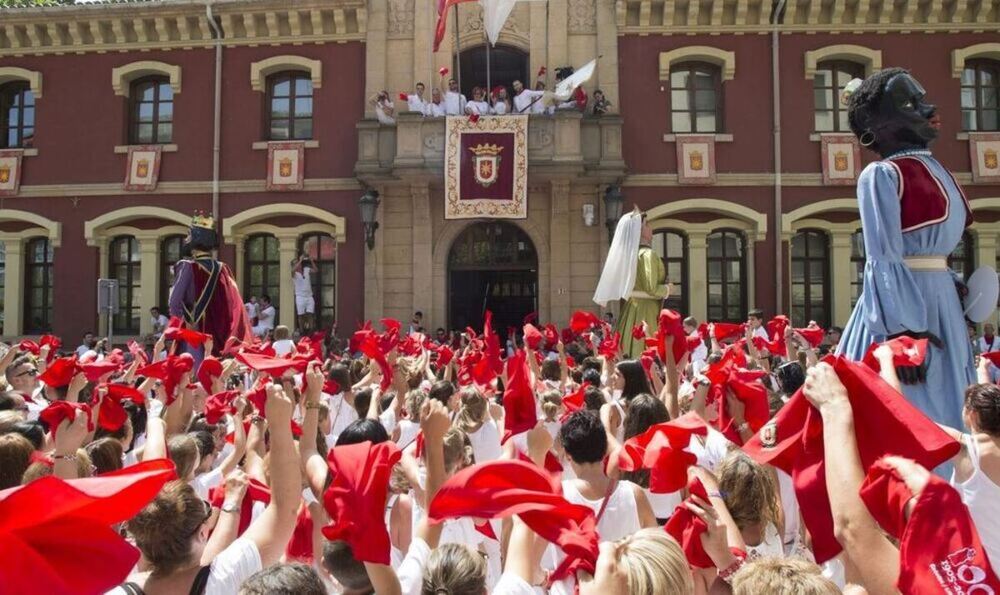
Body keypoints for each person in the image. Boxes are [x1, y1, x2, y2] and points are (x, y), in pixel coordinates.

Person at [836, 67, 975, 430]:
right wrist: (902, 334)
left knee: (947, 401)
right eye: (910, 103)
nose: (928, 108)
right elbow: (882, 257)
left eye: (922, 98)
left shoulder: (936, 170)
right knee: (915, 406)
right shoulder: (882, 174)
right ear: (874, 127)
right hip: (909, 307)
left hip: (938, 299)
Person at [168, 212, 252, 360]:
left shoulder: (187, 266)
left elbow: (174, 303)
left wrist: (186, 319)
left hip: (193, 334)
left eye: (189, 235)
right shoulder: (222, 268)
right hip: (217, 336)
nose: (186, 239)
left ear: (196, 238)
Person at [594, 208, 671, 358]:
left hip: (631, 308)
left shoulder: (629, 256)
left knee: (627, 344)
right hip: (646, 309)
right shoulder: (648, 255)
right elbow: (652, 289)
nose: (651, 229)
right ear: (640, 231)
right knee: (647, 347)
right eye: (647, 225)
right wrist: (668, 289)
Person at [292, 253, 316, 334]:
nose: (298, 264)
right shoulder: (294, 273)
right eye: (295, 263)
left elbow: (316, 270)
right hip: (300, 297)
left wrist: (312, 261)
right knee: (301, 314)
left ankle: (311, 330)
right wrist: (300, 260)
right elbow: (293, 270)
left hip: (309, 296)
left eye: (298, 262)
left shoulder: (306, 269)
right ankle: (302, 331)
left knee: (310, 313)